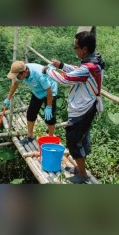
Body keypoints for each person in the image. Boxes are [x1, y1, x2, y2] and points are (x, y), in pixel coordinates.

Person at [43, 30, 104, 184]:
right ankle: (79, 167)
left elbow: (65, 79)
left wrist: (49, 70)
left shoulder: (88, 68)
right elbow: (77, 71)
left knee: (74, 141)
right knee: (82, 138)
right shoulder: (93, 62)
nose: (75, 50)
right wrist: (61, 65)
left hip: (82, 109)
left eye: (75, 47)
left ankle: (82, 175)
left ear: (84, 49)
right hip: (87, 106)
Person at [4, 61, 58, 145]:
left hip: (50, 91)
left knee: (49, 116)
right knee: (30, 113)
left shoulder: (38, 74)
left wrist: (49, 106)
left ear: (25, 72)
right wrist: (8, 98)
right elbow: (15, 84)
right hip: (37, 92)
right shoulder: (20, 71)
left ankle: (51, 137)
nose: (17, 77)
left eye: (18, 75)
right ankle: (30, 136)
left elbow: (49, 90)